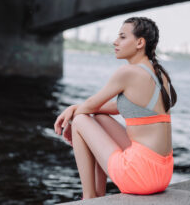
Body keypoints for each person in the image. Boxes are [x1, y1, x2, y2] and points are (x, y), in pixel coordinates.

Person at [54, 17, 177, 200]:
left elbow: (87, 108)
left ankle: (88, 197)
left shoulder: (128, 73)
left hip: (141, 176)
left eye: (122, 37)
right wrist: (77, 108)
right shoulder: (159, 74)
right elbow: (112, 107)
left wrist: (73, 114)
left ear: (139, 43)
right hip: (162, 174)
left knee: (80, 120)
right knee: (99, 118)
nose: (115, 42)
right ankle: (100, 195)